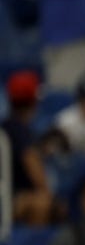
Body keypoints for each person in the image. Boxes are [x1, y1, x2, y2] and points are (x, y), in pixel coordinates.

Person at [2, 70, 53, 226]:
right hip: (12, 199)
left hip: (10, 196)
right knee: (42, 201)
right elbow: (30, 161)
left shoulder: (9, 126)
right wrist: (47, 192)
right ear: (33, 102)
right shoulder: (18, 129)